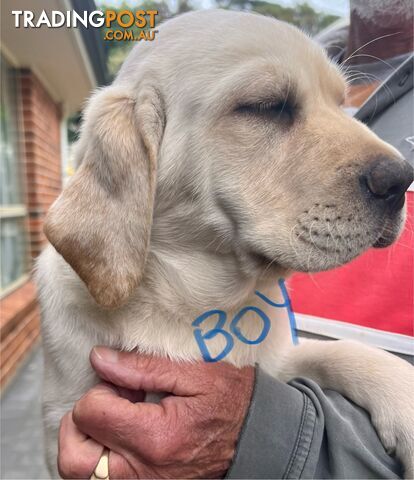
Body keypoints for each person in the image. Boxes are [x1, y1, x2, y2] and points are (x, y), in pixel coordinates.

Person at [58, 1, 413, 478]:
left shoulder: (256, 281)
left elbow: (278, 371)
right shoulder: (74, 307)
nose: (390, 168)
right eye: (269, 106)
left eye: (339, 104)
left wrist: (367, 374)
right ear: (133, 156)